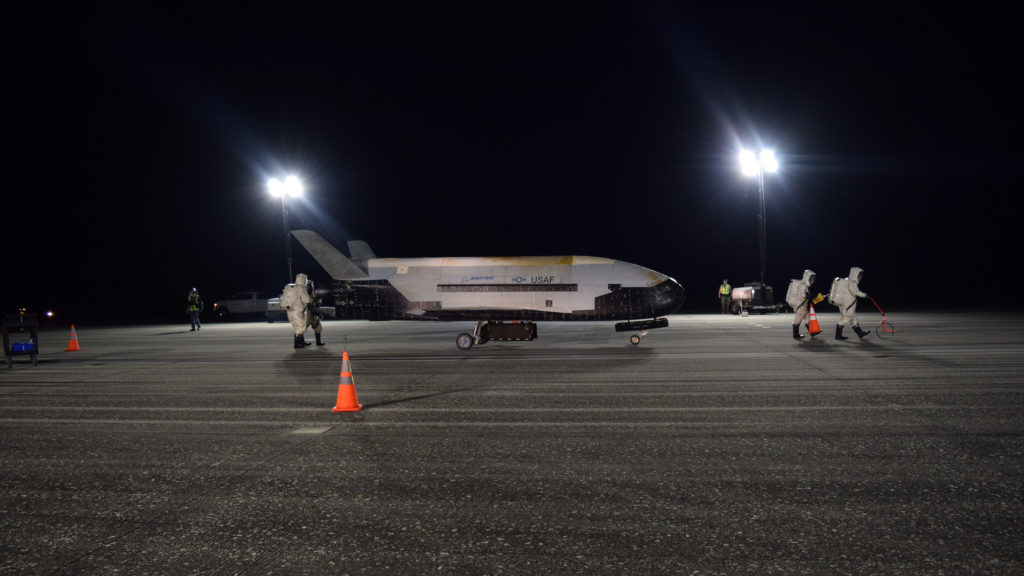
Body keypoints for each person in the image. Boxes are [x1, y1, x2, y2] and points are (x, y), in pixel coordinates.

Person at [829, 266, 870, 340]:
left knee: (853, 319)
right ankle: (838, 335)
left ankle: (860, 333)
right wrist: (864, 295)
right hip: (848, 306)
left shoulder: (848, 281)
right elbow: (855, 292)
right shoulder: (852, 283)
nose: (860, 277)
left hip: (847, 305)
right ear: (856, 274)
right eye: (859, 275)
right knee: (846, 319)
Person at [281, 273, 313, 348]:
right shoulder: (301, 288)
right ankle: (298, 344)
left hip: (289, 311)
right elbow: (307, 299)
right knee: (301, 326)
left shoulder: (288, 287)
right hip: (297, 311)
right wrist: (311, 299)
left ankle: (301, 342)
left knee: (296, 326)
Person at [786, 269, 816, 339]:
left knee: (807, 317)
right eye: (811, 278)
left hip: (802, 305)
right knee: (798, 318)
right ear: (807, 277)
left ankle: (812, 332)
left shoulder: (804, 284)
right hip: (800, 305)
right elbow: (802, 295)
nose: (812, 280)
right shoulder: (803, 285)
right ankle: (796, 334)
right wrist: (808, 296)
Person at [305, 279, 326, 346]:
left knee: (318, 327)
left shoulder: (314, 295)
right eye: (308, 286)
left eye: (311, 286)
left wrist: (317, 300)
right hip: (306, 314)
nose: (310, 288)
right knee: (301, 329)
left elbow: (318, 304)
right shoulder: (302, 295)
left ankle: (318, 342)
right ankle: (299, 342)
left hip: (314, 314)